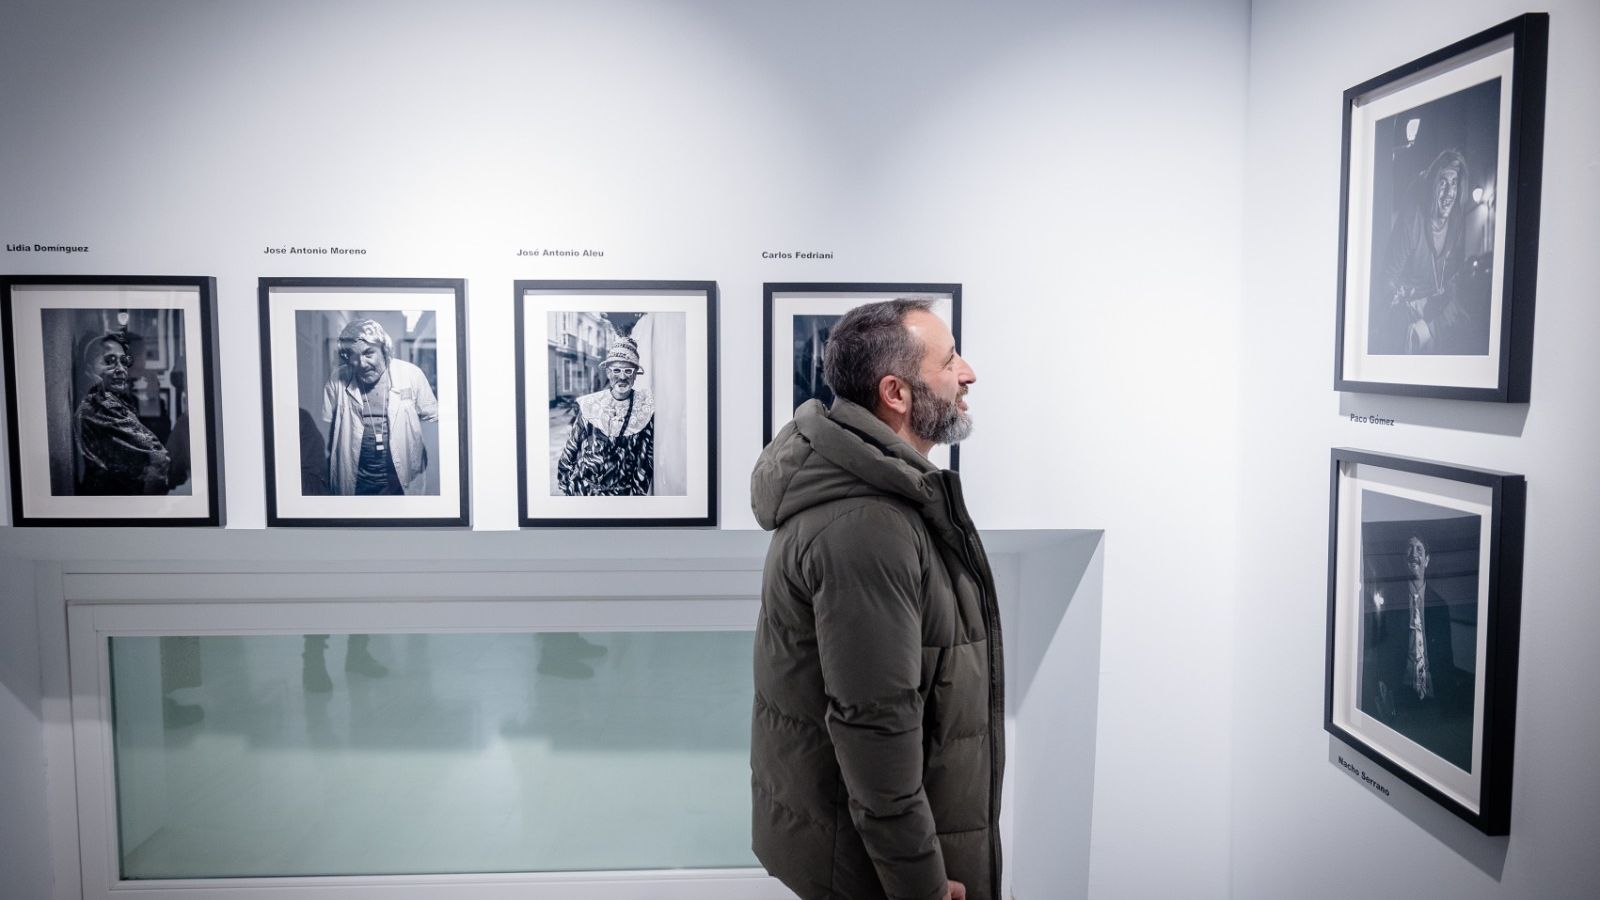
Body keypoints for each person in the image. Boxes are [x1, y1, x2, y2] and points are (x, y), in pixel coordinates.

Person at [749, 298, 1001, 900]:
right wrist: (921, 885)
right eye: (949, 360)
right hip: (883, 877)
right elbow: (874, 725)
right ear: (898, 392)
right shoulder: (866, 524)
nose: (969, 373)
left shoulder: (884, 502)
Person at [1359, 534, 1471, 770]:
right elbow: (1379, 649)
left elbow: (1445, 658)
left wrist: (1449, 705)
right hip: (1401, 695)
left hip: (1435, 700)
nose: (1414, 555)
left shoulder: (1439, 605)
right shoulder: (1390, 602)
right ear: (1403, 559)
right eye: (1409, 550)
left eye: (1419, 550)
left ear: (1427, 560)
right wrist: (1381, 684)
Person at [320, 318, 438, 495]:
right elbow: (326, 430)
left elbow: (434, 424)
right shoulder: (337, 380)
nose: (362, 363)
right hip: (355, 483)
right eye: (353, 355)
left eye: (369, 353)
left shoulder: (411, 375)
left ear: (385, 351)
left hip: (400, 482)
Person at [1378, 148, 1472, 354]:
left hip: (1435, 306)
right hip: (1408, 308)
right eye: (1443, 183)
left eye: (1454, 183)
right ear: (1433, 185)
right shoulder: (1412, 222)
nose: (1449, 193)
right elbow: (1387, 279)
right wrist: (1400, 301)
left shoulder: (1455, 221)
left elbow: (1451, 274)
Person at [74, 333, 171, 495]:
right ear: (89, 368)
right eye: (109, 361)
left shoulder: (116, 400)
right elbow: (159, 457)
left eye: (124, 361)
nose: (121, 369)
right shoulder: (99, 406)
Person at [556, 336, 655, 496]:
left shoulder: (643, 409)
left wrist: (637, 498)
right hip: (582, 489)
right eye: (616, 370)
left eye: (628, 371)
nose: (622, 377)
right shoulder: (592, 405)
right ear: (608, 372)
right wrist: (567, 485)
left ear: (636, 374)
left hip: (619, 495)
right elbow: (572, 446)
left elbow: (644, 461)